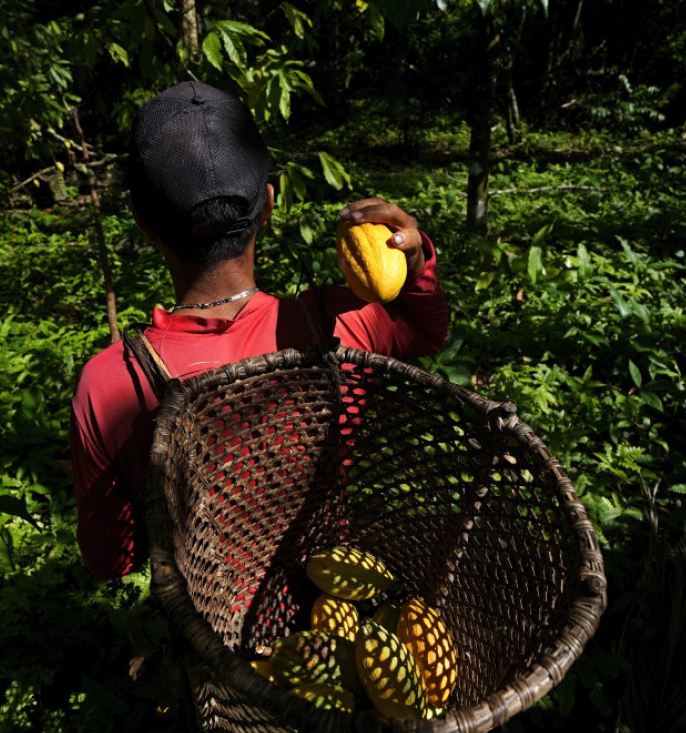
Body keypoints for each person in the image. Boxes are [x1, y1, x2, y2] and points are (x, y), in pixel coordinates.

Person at [70, 81, 449, 580]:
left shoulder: (111, 385)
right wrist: (415, 256)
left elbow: (112, 560)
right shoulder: (338, 323)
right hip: (334, 605)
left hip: (205, 635)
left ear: (144, 223)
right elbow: (427, 331)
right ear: (267, 204)